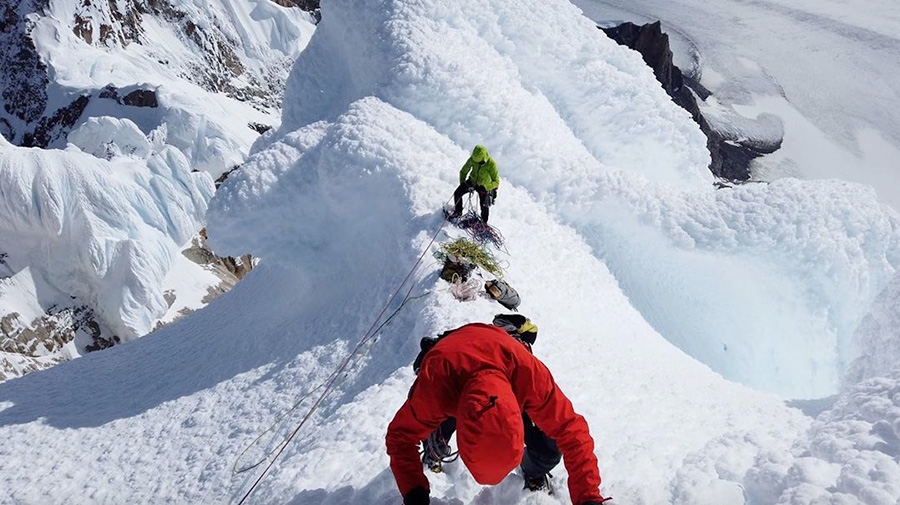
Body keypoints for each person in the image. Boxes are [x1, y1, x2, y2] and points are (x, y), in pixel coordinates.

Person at [385, 322, 611, 505]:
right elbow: (400, 436)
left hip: (504, 365)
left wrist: (589, 497)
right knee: (428, 415)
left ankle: (533, 468)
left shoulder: (530, 377)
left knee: (548, 450)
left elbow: (572, 432)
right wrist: (415, 493)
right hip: (453, 361)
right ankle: (437, 433)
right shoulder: (436, 385)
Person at [448, 145, 500, 224]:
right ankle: (458, 211)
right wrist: (463, 183)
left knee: (484, 205)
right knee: (457, 193)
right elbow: (463, 171)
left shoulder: (491, 164)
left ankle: (483, 223)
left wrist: (486, 187)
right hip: (472, 181)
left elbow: (496, 181)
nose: (476, 163)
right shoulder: (472, 159)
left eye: (478, 161)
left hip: (484, 186)